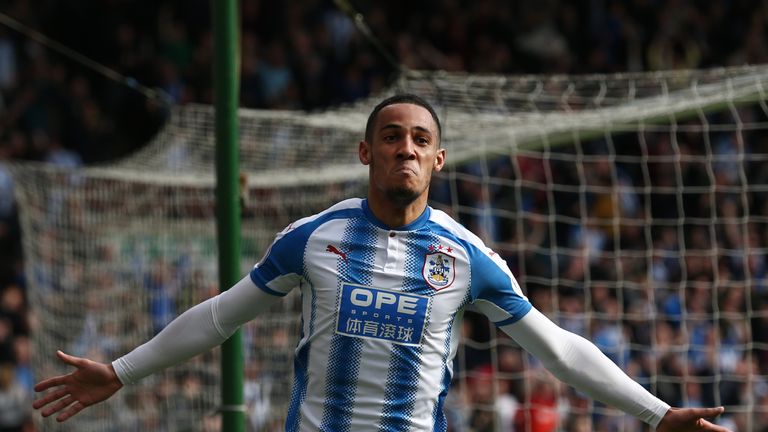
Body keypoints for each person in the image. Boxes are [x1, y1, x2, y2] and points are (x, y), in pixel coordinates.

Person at [33, 94, 730, 431]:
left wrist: (654, 412)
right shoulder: (312, 238)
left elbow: (558, 350)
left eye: (419, 139)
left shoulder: (467, 258)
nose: (405, 147)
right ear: (366, 152)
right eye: (391, 136)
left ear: (437, 158)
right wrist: (120, 371)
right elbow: (219, 317)